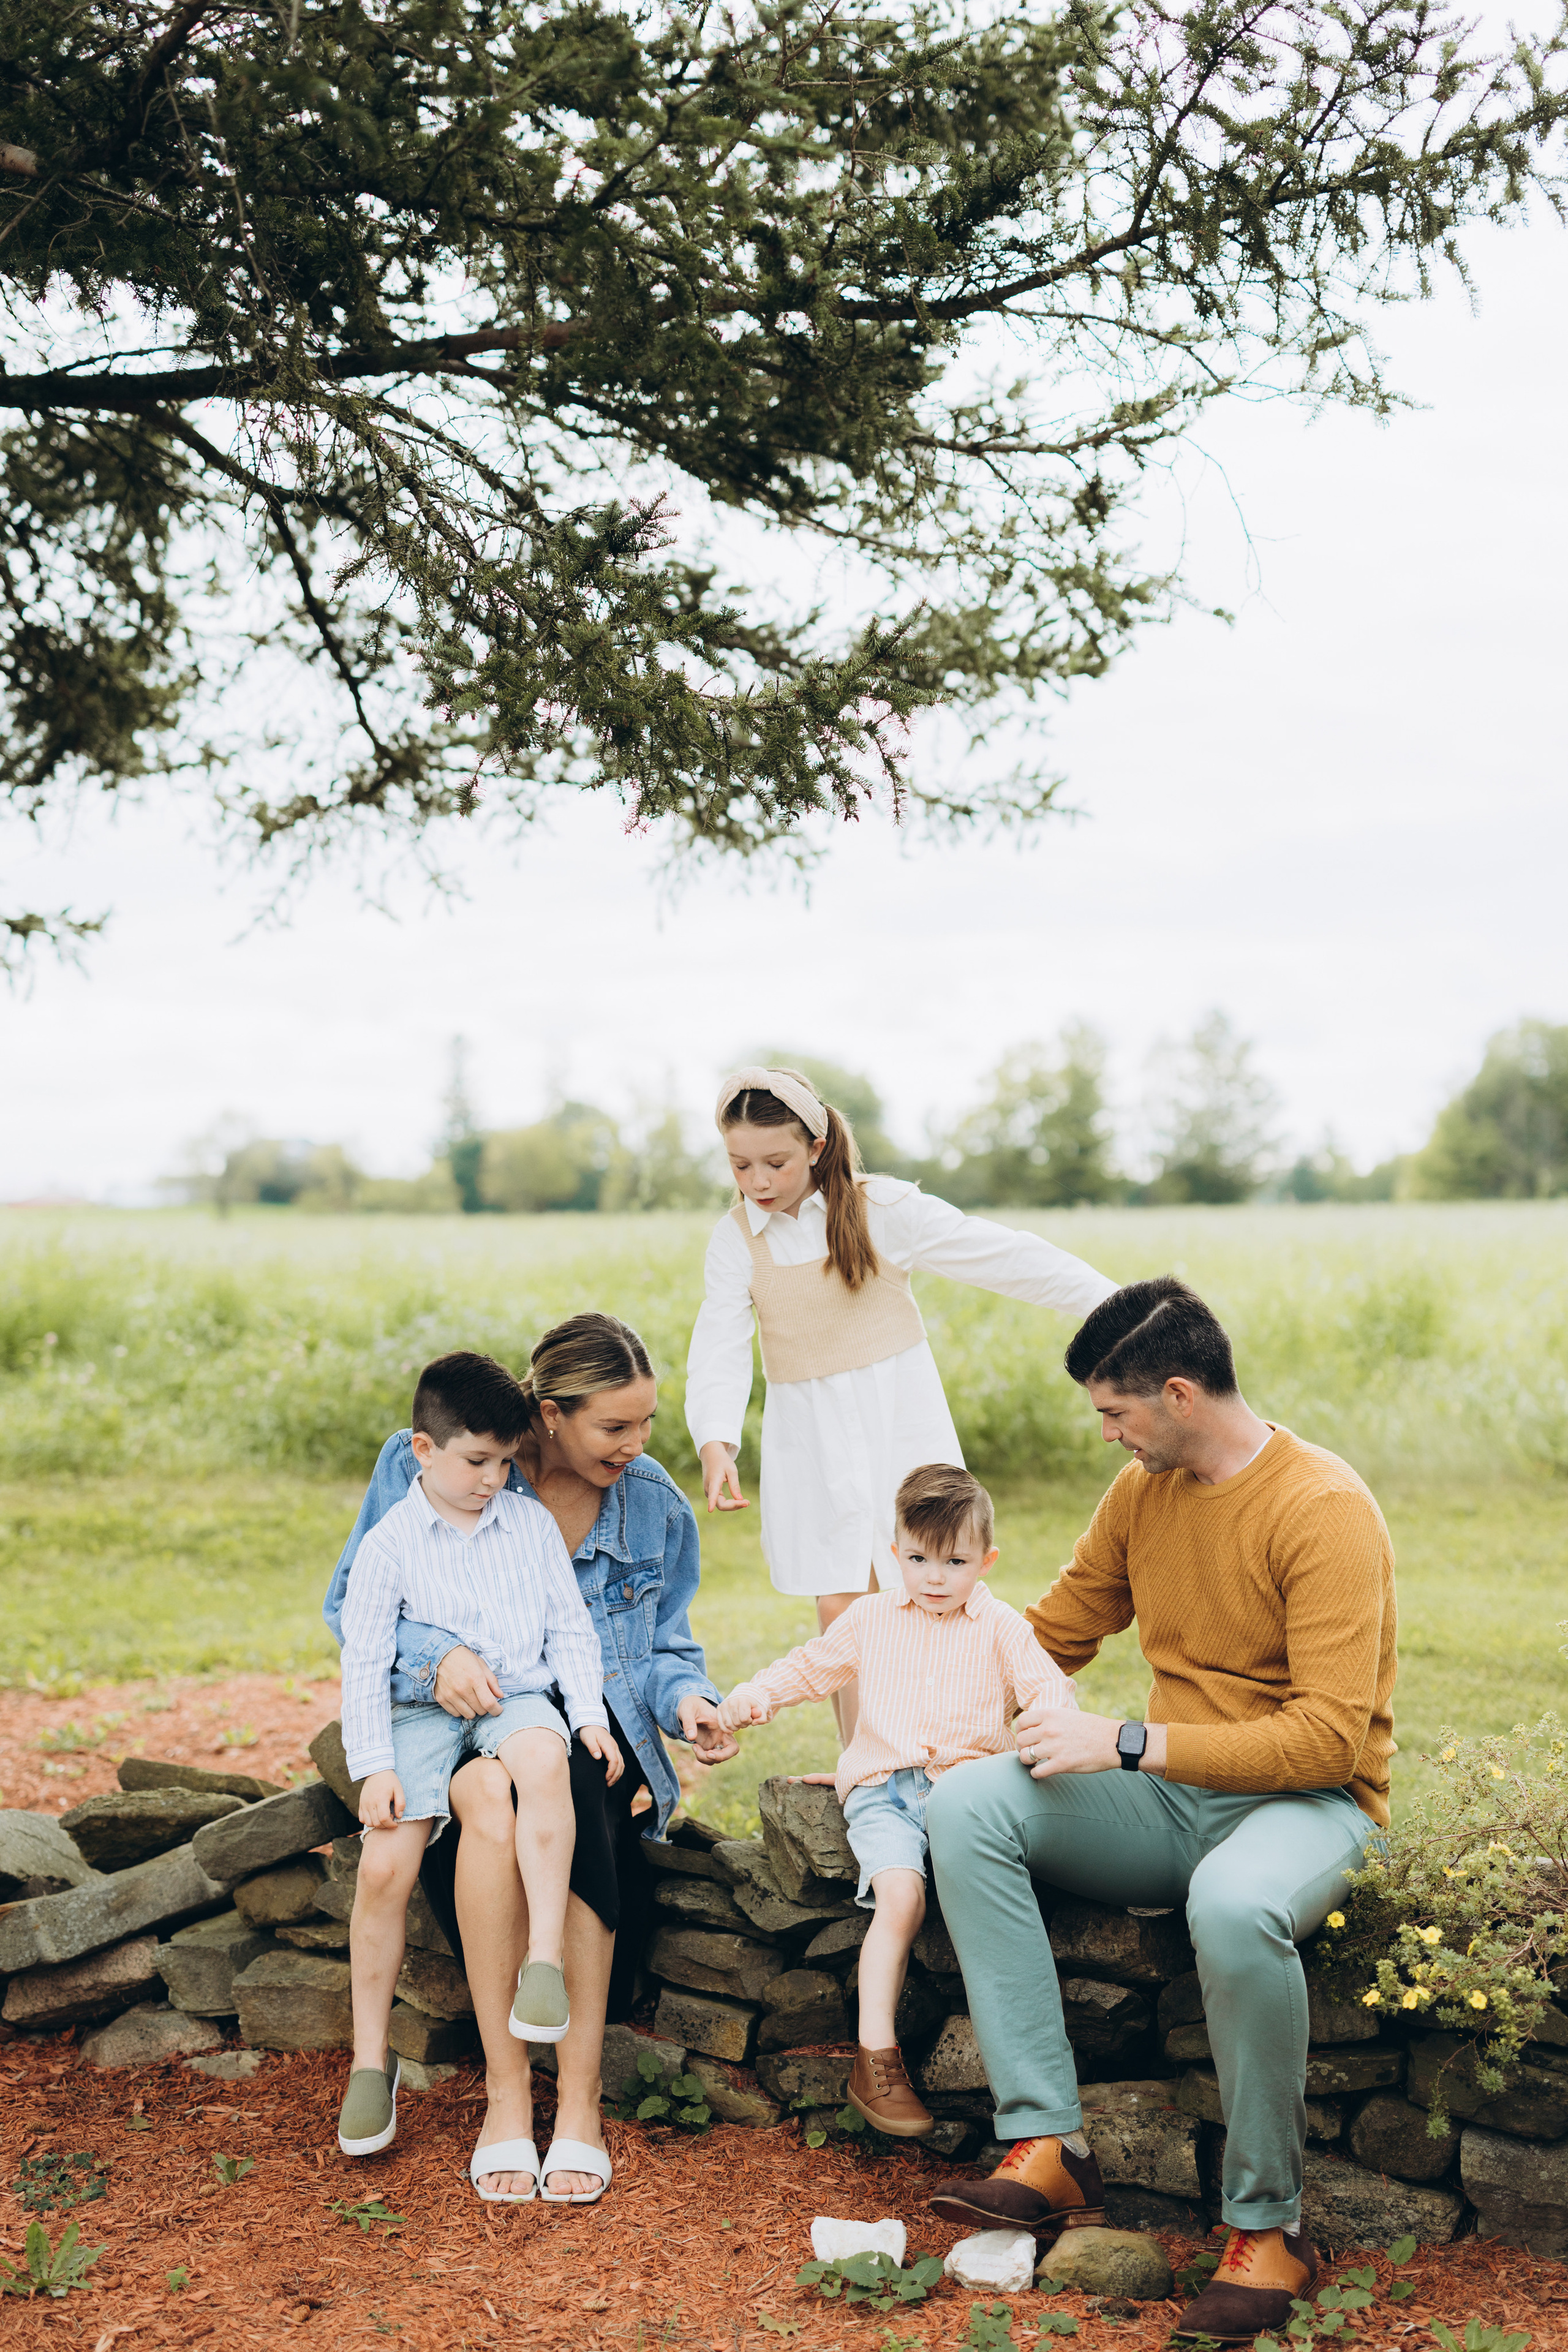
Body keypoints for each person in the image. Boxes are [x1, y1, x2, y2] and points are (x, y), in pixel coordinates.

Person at [924, 1278, 1398, 2344]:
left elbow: (1327, 1736)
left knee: (1234, 1908)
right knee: (966, 1809)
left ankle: (1268, 2231)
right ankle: (1048, 2147)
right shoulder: (1144, 1495)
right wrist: (936, 1728)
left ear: (1178, 1394)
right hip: (1170, 1798)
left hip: (1309, 1806)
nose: (1106, 1435)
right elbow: (1053, 1633)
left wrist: (1128, 1741)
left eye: (1114, 1413)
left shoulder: (1323, 1508)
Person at [323, 1311, 737, 2205]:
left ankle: (577, 2102)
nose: (637, 1445)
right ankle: (508, 2099)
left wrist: (689, 1703)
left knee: (555, 1790)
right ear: (548, 1415)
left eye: (647, 1424)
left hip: (578, 1720)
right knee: (483, 1797)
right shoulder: (425, 1464)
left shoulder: (652, 1499)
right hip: (448, 1714)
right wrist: (439, 1663)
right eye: (614, 1427)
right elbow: (352, 1612)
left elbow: (663, 1648)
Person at [685, 1064, 1117, 1741]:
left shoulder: (881, 1210)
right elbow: (719, 1341)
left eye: (776, 1162)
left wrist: (1114, 1303)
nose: (758, 1182)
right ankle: (863, 1765)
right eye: (740, 1166)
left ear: (817, 1147)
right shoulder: (735, 1240)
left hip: (900, 1418)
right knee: (840, 1602)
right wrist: (717, 1439)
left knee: (931, 1580)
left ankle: (947, 1744)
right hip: (811, 1435)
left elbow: (1000, 1255)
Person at [718, 1462, 1078, 2139]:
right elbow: (811, 1666)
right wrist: (753, 1697)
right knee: (903, 1897)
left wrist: (1044, 1730)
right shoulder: (871, 1618)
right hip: (884, 1791)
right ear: (895, 1554)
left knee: (988, 1900)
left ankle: (1021, 2087)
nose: (934, 1577)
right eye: (917, 1558)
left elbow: (1048, 1691)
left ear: (986, 1560)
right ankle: (875, 2056)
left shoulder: (1001, 1627)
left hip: (966, 1795)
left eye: (954, 1560)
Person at [337, 1349, 620, 2186]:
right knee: (386, 1864)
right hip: (422, 1717)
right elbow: (364, 1659)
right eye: (476, 1461)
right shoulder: (391, 1543)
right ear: (422, 1452)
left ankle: (542, 1963)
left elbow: (570, 1630)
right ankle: (367, 2062)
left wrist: (593, 1718)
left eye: (505, 1462)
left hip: (519, 1700)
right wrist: (373, 1767)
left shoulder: (527, 1526)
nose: (495, 1478)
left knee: (544, 1758)